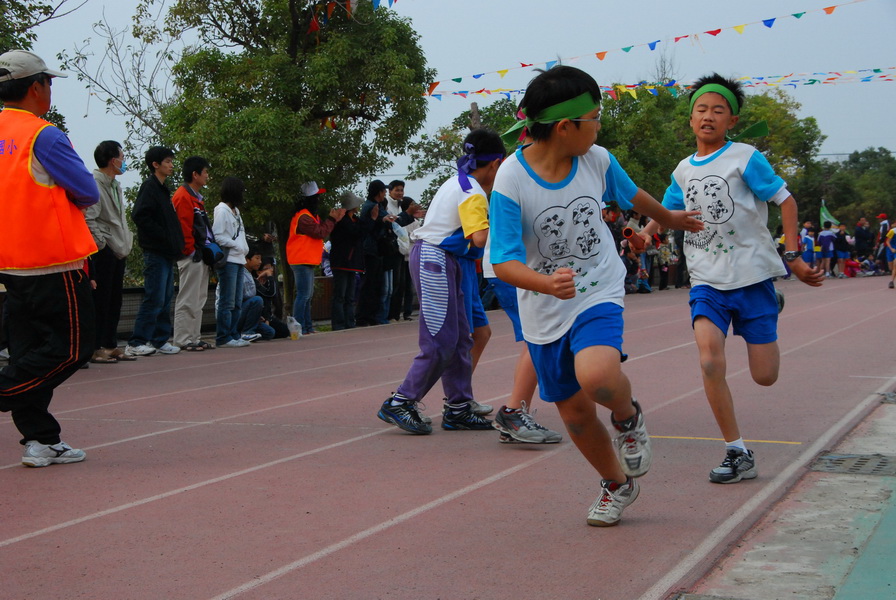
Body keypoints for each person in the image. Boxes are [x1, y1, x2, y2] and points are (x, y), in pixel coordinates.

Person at [491, 66, 703, 526]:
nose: (599, 126)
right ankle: (617, 483)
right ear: (564, 127)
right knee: (575, 413)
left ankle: (627, 418)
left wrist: (669, 218)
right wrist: (546, 283)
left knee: (599, 376)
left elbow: (633, 196)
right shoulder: (511, 179)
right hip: (545, 307)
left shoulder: (597, 160)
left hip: (597, 288)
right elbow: (502, 261)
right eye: (594, 118)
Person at [641, 72, 824, 486]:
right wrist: (644, 235)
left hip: (752, 276)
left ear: (732, 120)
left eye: (718, 110)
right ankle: (737, 450)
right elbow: (665, 212)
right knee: (709, 360)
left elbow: (786, 201)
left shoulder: (745, 157)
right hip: (707, 280)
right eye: (701, 110)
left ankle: (771, 303)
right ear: (691, 119)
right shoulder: (683, 170)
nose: (708, 116)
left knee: (765, 376)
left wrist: (793, 256)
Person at [0, 49, 98, 466]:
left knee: (27, 353)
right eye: (49, 82)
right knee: (74, 348)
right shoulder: (44, 135)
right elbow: (87, 192)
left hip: (9, 265)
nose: (51, 89)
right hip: (52, 262)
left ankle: (40, 439)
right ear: (36, 87)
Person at [377, 129, 506, 435]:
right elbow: (479, 238)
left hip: (444, 259)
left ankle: (459, 407)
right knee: (441, 339)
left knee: (461, 338)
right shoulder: (472, 192)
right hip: (435, 259)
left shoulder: (459, 182)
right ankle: (401, 401)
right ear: (496, 164)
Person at [127, 146, 184, 357]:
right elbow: (139, 215)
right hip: (155, 251)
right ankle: (136, 341)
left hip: (166, 253)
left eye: (171, 161)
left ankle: (160, 340)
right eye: (167, 161)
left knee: (166, 297)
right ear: (155, 164)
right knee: (154, 297)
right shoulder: (149, 187)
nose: (171, 165)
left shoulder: (163, 189)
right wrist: (163, 236)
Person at [86, 140, 136, 364]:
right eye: (122, 158)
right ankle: (94, 347)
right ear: (112, 160)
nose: (124, 162)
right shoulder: (94, 183)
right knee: (101, 300)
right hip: (105, 249)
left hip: (119, 248)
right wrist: (102, 245)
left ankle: (110, 344)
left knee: (115, 300)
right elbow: (89, 218)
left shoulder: (115, 185)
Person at [287, 181, 345, 335]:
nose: (319, 199)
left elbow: (321, 230)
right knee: (303, 295)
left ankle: (307, 327)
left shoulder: (310, 216)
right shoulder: (304, 217)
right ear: (310, 199)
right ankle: (298, 328)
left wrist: (333, 220)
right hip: (300, 259)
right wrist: (332, 220)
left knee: (307, 295)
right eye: (317, 196)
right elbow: (320, 232)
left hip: (307, 259)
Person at [172, 156, 215, 351]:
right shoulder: (183, 196)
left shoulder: (196, 197)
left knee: (199, 298)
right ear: (195, 174)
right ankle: (182, 338)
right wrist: (190, 251)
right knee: (188, 298)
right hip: (191, 255)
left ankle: (194, 337)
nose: (207, 176)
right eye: (205, 172)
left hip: (200, 254)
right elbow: (183, 228)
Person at [213, 176, 251, 348]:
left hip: (239, 259)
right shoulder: (222, 210)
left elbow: (241, 233)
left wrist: (245, 248)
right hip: (228, 260)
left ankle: (234, 333)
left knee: (236, 301)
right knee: (227, 301)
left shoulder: (236, 211)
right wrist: (237, 245)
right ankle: (223, 336)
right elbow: (218, 235)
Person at [356, 180, 396, 326]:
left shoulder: (376, 205)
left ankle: (372, 315)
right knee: (369, 284)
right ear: (379, 192)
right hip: (370, 249)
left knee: (376, 284)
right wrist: (380, 220)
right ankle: (363, 316)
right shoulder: (370, 206)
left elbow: (387, 219)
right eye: (383, 191)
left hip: (377, 249)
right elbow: (367, 227)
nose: (385, 193)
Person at [329, 192, 365, 331]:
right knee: (340, 294)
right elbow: (356, 233)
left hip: (352, 262)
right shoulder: (342, 221)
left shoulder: (355, 220)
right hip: (342, 261)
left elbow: (362, 231)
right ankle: (338, 323)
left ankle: (349, 322)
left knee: (350, 295)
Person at [236, 248, 273, 341]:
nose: (260, 262)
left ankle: (241, 334)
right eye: (257, 258)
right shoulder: (240, 273)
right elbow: (269, 293)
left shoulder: (250, 275)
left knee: (269, 332)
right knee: (257, 300)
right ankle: (247, 333)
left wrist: (255, 314)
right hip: (236, 312)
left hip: (246, 312)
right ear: (247, 259)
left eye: (260, 259)